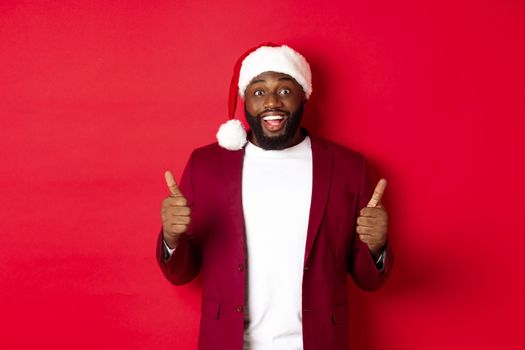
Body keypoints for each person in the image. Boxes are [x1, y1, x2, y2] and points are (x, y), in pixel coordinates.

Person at [156, 43, 393, 350]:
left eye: (284, 90)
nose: (271, 102)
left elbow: (369, 281)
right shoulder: (206, 165)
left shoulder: (349, 168)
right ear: (245, 100)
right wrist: (172, 239)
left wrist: (375, 246)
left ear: (303, 95)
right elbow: (182, 274)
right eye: (258, 92)